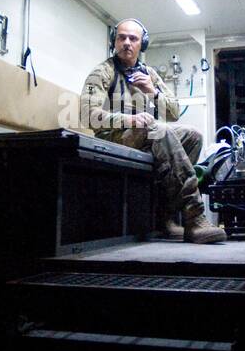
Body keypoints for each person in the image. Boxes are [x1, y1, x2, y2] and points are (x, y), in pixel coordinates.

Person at [78, 18, 226, 244]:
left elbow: (174, 112)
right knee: (158, 129)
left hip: (144, 134)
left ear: (142, 44)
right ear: (114, 41)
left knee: (193, 136)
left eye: (133, 38)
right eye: (121, 37)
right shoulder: (102, 72)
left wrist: (153, 93)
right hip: (113, 138)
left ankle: (165, 218)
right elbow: (88, 115)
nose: (127, 43)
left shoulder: (149, 74)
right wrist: (130, 119)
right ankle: (194, 216)